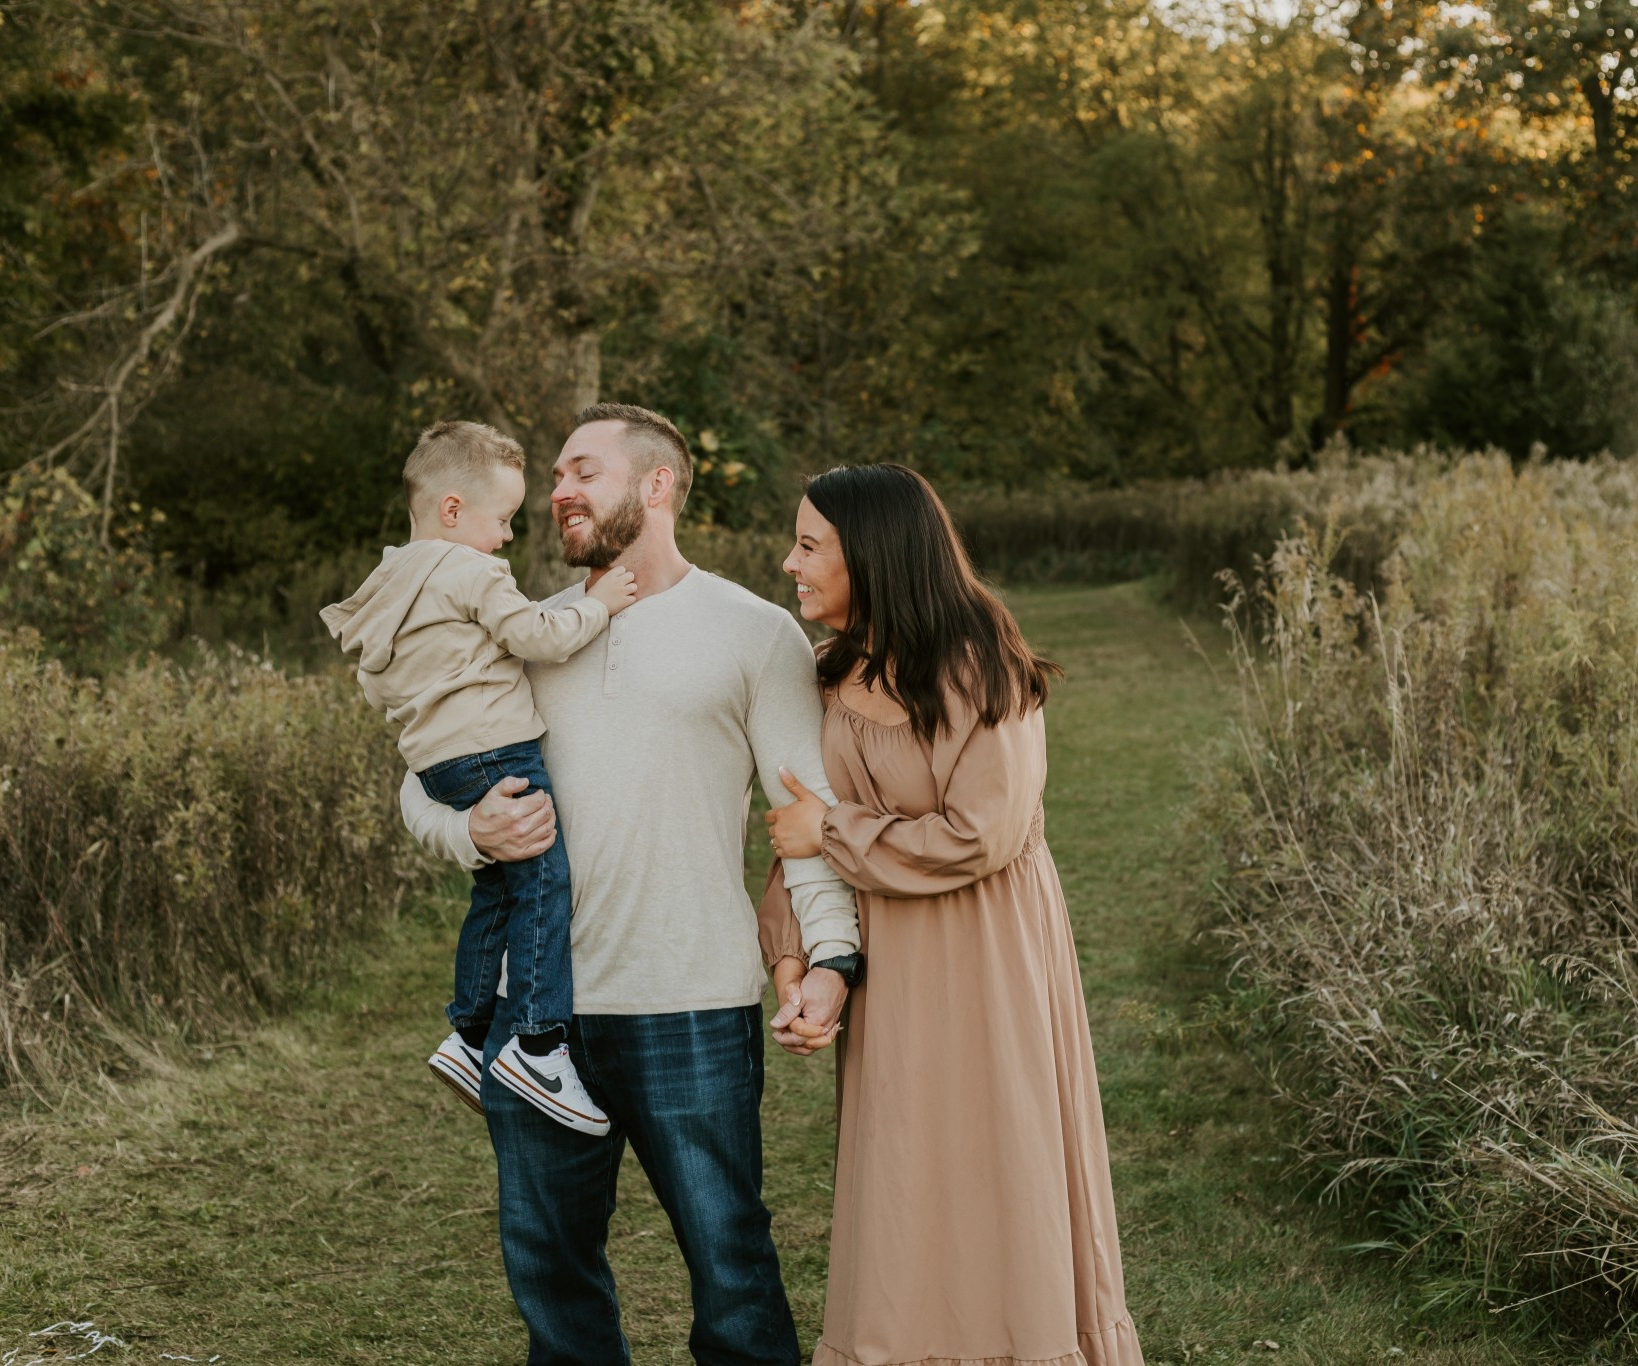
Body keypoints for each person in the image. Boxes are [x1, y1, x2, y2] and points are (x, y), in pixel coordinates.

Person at [398, 403, 862, 1364]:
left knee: (732, 1271)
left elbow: (803, 817)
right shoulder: (515, 627)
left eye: (583, 471)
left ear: (656, 487)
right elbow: (419, 782)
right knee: (553, 1283)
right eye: (556, 478)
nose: (559, 492)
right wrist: (468, 829)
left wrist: (833, 958)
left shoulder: (753, 630)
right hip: (532, 1017)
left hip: (689, 1001)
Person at [765, 463, 1144, 1366]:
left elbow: (983, 833)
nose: (789, 563)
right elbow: (796, 829)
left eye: (810, 546)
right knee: (902, 1177)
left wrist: (833, 830)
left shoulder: (979, 665)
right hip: (891, 962)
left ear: (876, 557)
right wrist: (800, 963)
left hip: (984, 954)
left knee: (997, 1162)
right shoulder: (827, 673)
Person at [321, 420, 637, 1134]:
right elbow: (535, 637)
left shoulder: (388, 585)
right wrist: (602, 603)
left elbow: (376, 689)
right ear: (454, 510)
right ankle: (537, 1043)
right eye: (500, 521)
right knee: (543, 881)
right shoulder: (470, 571)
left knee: (496, 887)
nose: (504, 539)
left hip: (439, 762)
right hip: (498, 749)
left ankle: (467, 1034)